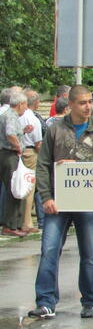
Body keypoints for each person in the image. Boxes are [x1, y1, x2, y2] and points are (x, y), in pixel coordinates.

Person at [30, 85, 93, 319]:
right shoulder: (55, 129)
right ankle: (46, 301)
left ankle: (90, 301)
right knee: (49, 250)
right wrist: (46, 197)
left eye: (90, 102)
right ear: (71, 105)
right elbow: (44, 165)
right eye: (83, 103)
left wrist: (79, 167)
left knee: (89, 253)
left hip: (88, 202)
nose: (88, 106)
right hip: (57, 202)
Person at [0, 91, 30, 237]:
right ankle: (10, 225)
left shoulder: (10, 115)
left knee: (18, 188)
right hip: (9, 155)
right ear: (20, 104)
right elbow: (10, 134)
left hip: (8, 154)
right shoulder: (11, 116)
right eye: (25, 105)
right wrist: (18, 147)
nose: (26, 108)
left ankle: (16, 224)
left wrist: (23, 132)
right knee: (14, 189)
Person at [19, 90, 43, 234]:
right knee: (29, 188)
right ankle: (27, 222)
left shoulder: (18, 116)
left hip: (19, 152)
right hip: (30, 153)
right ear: (37, 103)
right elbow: (38, 143)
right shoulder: (33, 119)